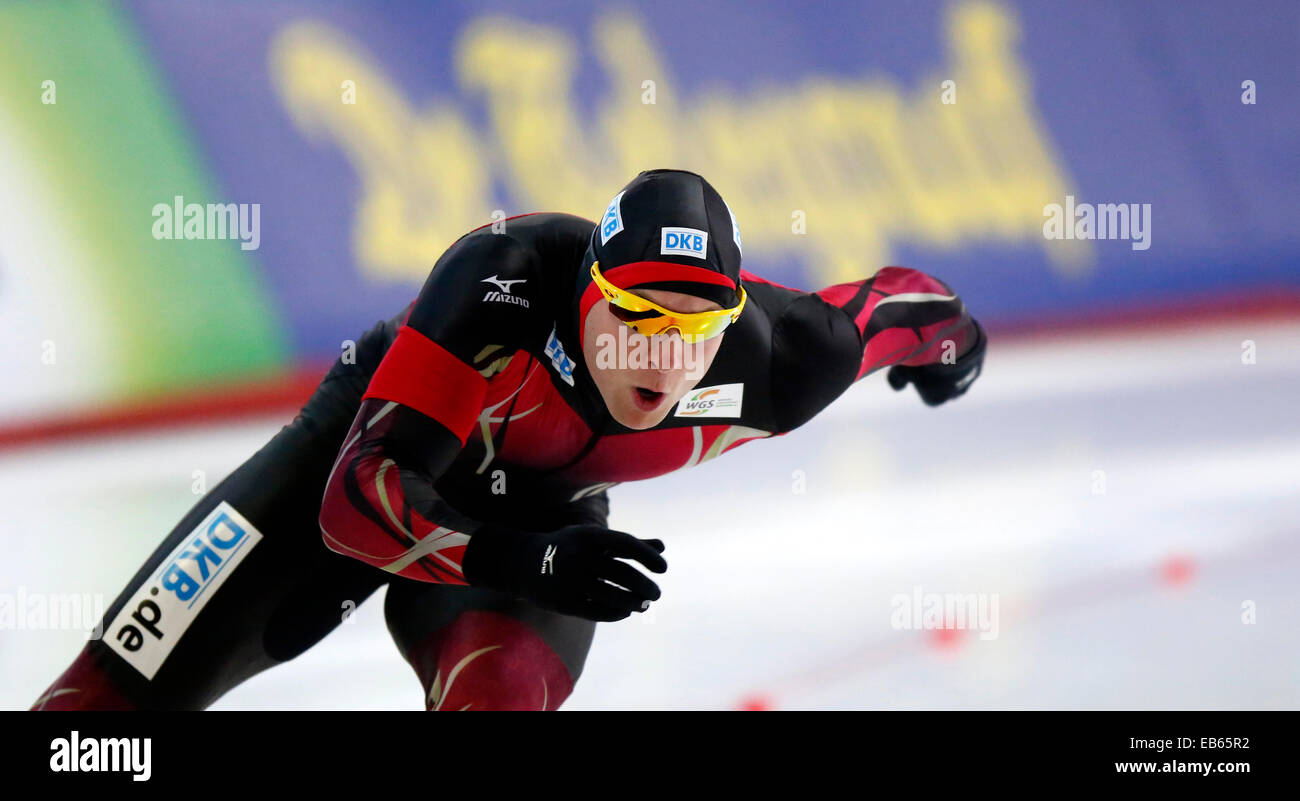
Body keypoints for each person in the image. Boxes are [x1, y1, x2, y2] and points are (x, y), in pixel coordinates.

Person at [31, 168, 986, 711]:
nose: (664, 355)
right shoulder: (504, 281)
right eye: (637, 315)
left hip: (535, 521)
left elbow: (900, 307)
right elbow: (354, 499)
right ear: (585, 295)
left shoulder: (783, 358)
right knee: (94, 718)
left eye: (696, 328)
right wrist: (516, 556)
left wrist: (957, 345)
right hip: (372, 455)